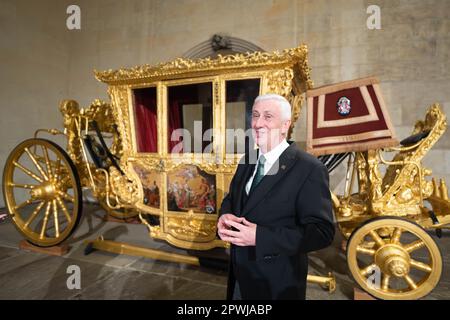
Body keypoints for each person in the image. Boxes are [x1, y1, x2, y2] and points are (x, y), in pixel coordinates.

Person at [217, 93, 335, 300]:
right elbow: (232, 199)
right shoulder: (249, 158)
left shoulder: (309, 168)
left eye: (268, 116)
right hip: (239, 276)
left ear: (285, 125)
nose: (258, 123)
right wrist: (224, 216)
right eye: (255, 115)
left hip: (276, 283)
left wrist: (260, 237)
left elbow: (321, 232)